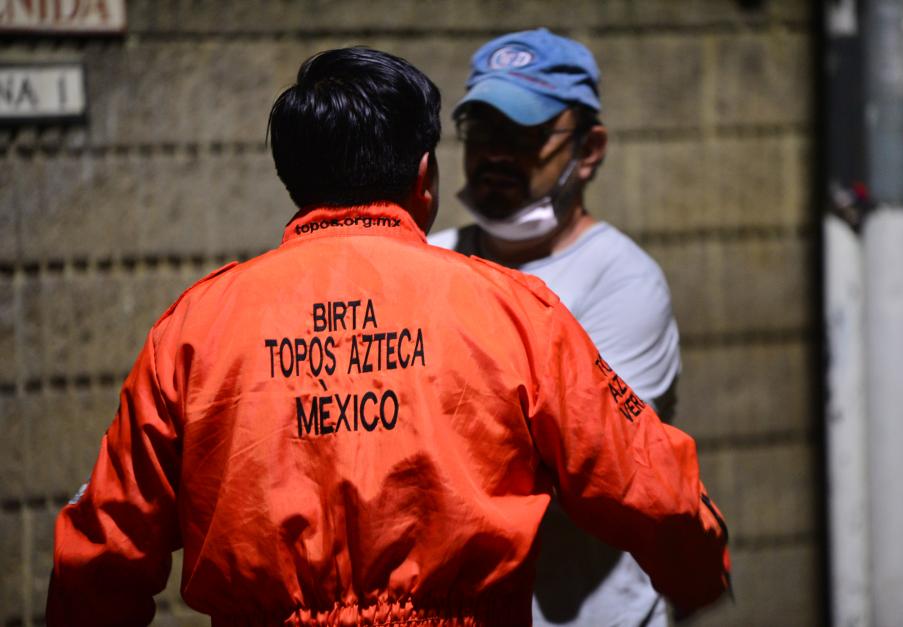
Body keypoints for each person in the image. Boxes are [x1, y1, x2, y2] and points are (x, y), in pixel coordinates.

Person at [47, 47, 728, 626]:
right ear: (424, 178)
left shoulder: (196, 327)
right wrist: (701, 567)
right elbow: (652, 484)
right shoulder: (514, 309)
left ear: (295, 181)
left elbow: (102, 547)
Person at [429, 29, 684, 626]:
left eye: (524, 134)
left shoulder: (623, 283)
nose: (494, 153)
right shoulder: (430, 260)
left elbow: (589, 477)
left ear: (589, 149)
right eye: (483, 131)